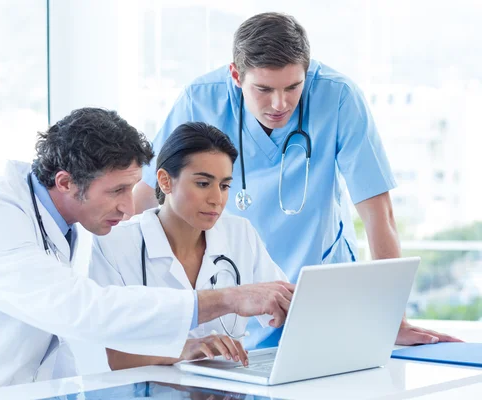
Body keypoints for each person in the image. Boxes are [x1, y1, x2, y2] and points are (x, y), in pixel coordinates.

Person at [0, 108, 293, 391]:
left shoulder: (59, 223)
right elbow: (84, 309)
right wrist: (224, 300)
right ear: (66, 182)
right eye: (117, 191)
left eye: (130, 188)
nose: (129, 207)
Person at [132, 12, 460, 347]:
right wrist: (159, 297)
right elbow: (147, 194)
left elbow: (379, 214)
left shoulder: (338, 97)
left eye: (293, 87)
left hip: (322, 286)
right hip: (237, 287)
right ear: (235, 74)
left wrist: (393, 317)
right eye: (263, 89)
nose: (280, 104)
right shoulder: (201, 99)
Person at [89, 122, 293, 370]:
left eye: (224, 185)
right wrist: (186, 349)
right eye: (203, 184)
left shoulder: (240, 234)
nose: (217, 199)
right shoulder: (114, 244)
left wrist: (292, 310)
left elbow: (287, 308)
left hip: (228, 391)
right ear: (165, 181)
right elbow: (116, 358)